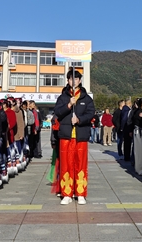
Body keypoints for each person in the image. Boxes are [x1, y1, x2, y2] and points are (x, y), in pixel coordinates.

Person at [53, 69, 95, 205]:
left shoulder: (86, 98)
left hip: (80, 136)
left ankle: (80, 193)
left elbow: (91, 114)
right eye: (71, 79)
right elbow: (57, 111)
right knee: (66, 164)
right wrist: (69, 105)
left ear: (80, 80)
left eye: (76, 79)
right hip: (66, 136)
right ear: (68, 81)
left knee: (81, 164)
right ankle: (67, 193)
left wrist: (79, 120)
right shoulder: (63, 97)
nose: (73, 81)